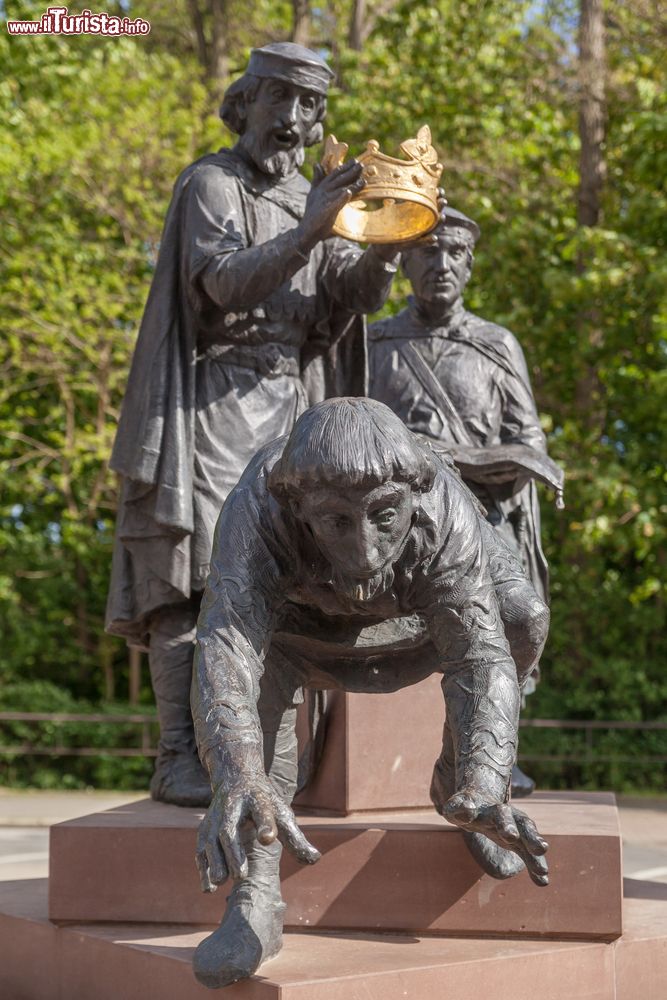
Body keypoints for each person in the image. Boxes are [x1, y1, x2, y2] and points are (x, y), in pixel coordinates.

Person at [105, 44, 406, 806]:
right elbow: (224, 285)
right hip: (214, 407)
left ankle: (266, 755)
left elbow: (346, 300)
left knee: (286, 587)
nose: (297, 121)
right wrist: (311, 230)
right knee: (196, 582)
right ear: (247, 102)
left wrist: (386, 248)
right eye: (283, 101)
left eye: (310, 107)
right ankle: (180, 753)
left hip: (293, 415)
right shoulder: (212, 183)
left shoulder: (311, 197)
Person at [191, 397, 550, 989]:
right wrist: (237, 773)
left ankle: (459, 785)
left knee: (522, 617)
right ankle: (255, 896)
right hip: (300, 631)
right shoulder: (256, 508)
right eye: (336, 522)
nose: (365, 550)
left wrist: (487, 776)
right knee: (252, 730)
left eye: (386, 516)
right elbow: (226, 645)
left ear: (413, 493)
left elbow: (480, 656)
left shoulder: (441, 506)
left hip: (422, 616)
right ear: (297, 506)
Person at [367, 208, 563, 796]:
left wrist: (476, 459)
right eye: (428, 251)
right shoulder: (374, 343)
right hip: (396, 520)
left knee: (516, 613)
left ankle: (490, 753)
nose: (442, 264)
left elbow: (529, 445)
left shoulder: (496, 345)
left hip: (480, 519)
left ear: (470, 265)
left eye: (454, 253)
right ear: (404, 262)